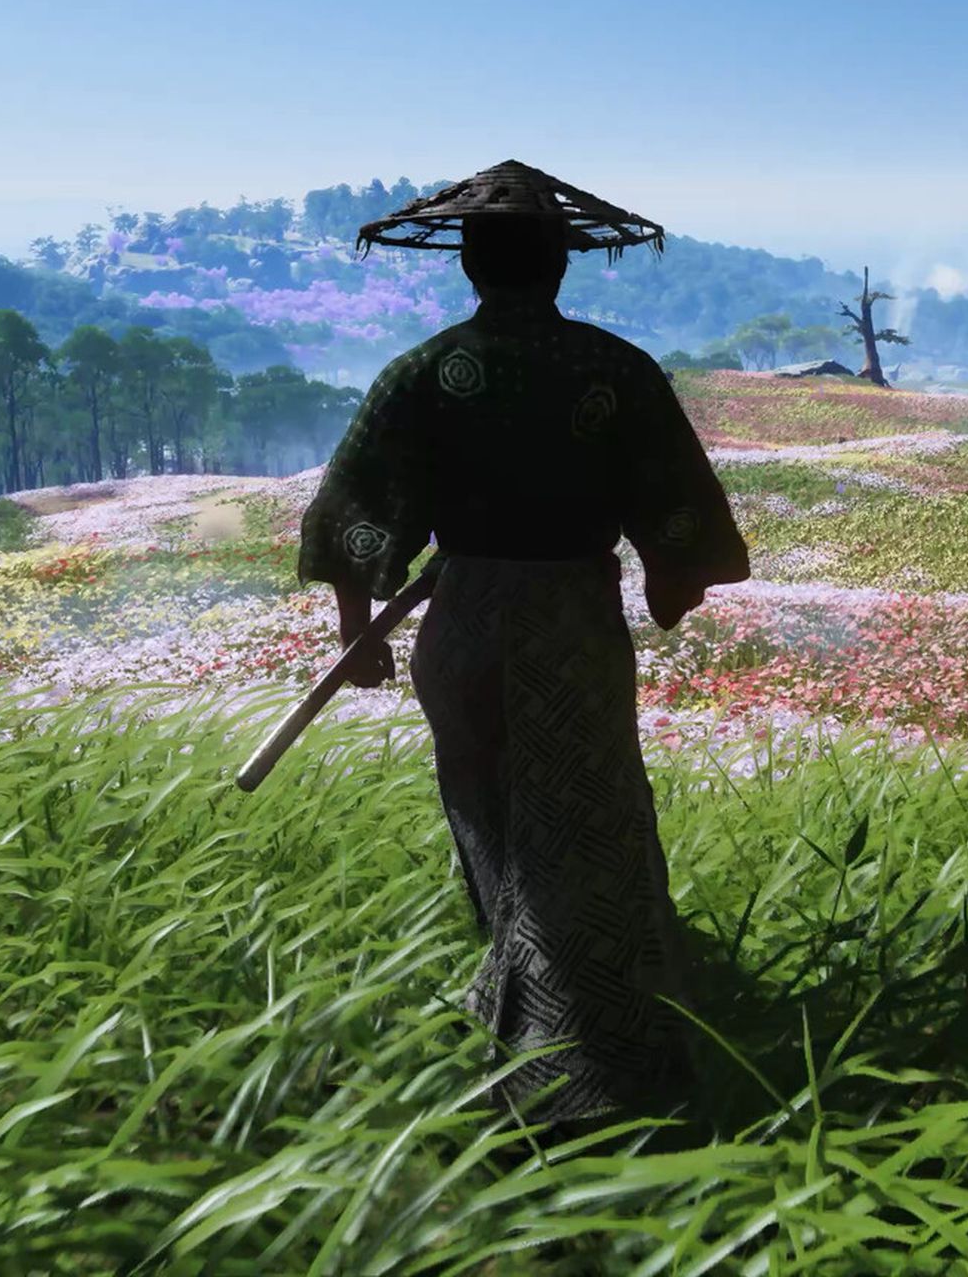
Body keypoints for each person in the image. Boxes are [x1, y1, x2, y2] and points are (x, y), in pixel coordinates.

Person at [295, 164, 750, 1127]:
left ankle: (518, 1028)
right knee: (591, 822)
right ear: (561, 266)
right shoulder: (615, 371)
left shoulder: (420, 375)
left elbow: (356, 512)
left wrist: (355, 626)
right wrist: (668, 580)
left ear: (469, 265)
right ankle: (611, 1043)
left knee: (492, 819)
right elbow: (677, 542)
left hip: (463, 626)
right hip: (574, 627)